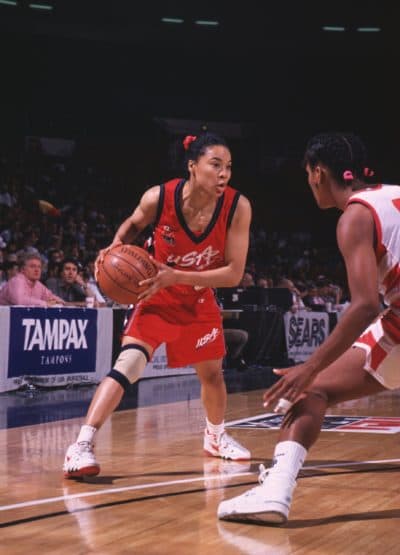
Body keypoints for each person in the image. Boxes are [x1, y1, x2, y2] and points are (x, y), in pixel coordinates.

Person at [218, 131, 400, 524]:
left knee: (311, 388)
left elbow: (367, 303)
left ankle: (276, 492)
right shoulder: (393, 195)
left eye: (307, 174)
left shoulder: (355, 215)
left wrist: (310, 366)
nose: (308, 183)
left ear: (318, 172)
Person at [63, 132, 253, 478]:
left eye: (228, 167)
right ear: (193, 167)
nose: (224, 173)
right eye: (216, 165)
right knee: (129, 364)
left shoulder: (238, 207)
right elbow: (133, 226)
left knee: (212, 375)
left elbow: (234, 273)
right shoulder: (158, 197)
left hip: (197, 298)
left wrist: (176, 276)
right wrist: (112, 249)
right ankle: (81, 445)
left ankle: (215, 436)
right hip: (155, 294)